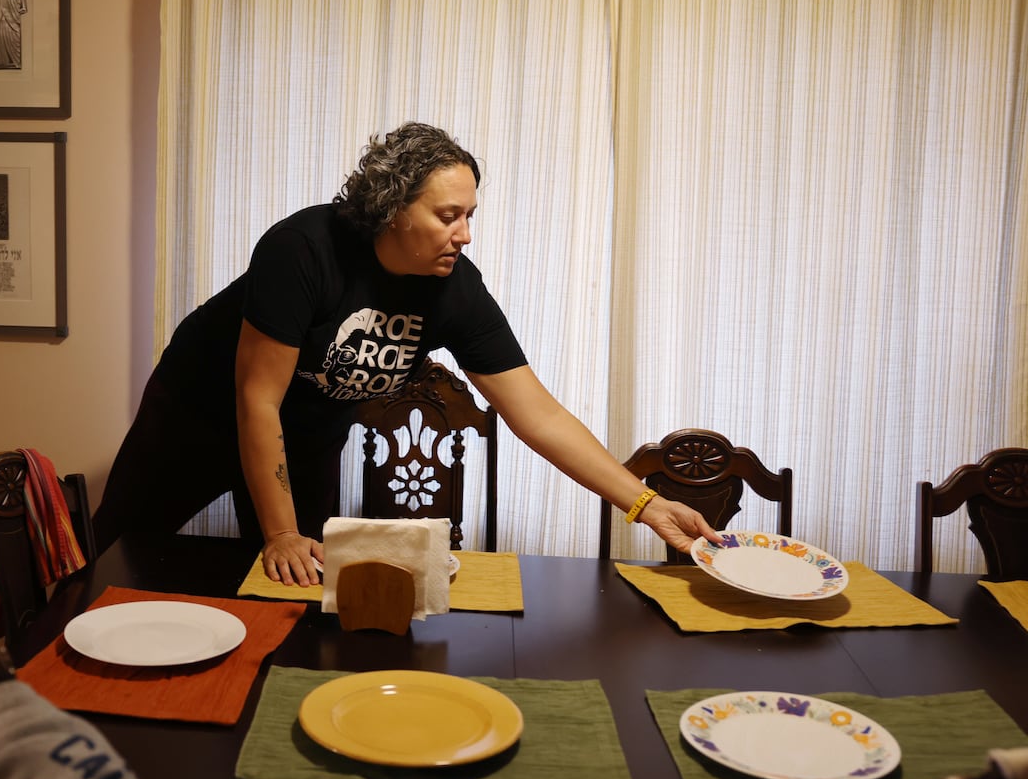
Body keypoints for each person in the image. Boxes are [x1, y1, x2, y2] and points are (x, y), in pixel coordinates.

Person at [93, 121, 720, 586]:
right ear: (391, 208)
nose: (465, 233)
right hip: (198, 412)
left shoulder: (454, 288)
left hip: (307, 432)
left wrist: (646, 503)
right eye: (449, 215)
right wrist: (279, 530)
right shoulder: (304, 250)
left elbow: (538, 413)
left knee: (299, 582)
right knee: (115, 557)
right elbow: (256, 399)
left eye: (470, 214)